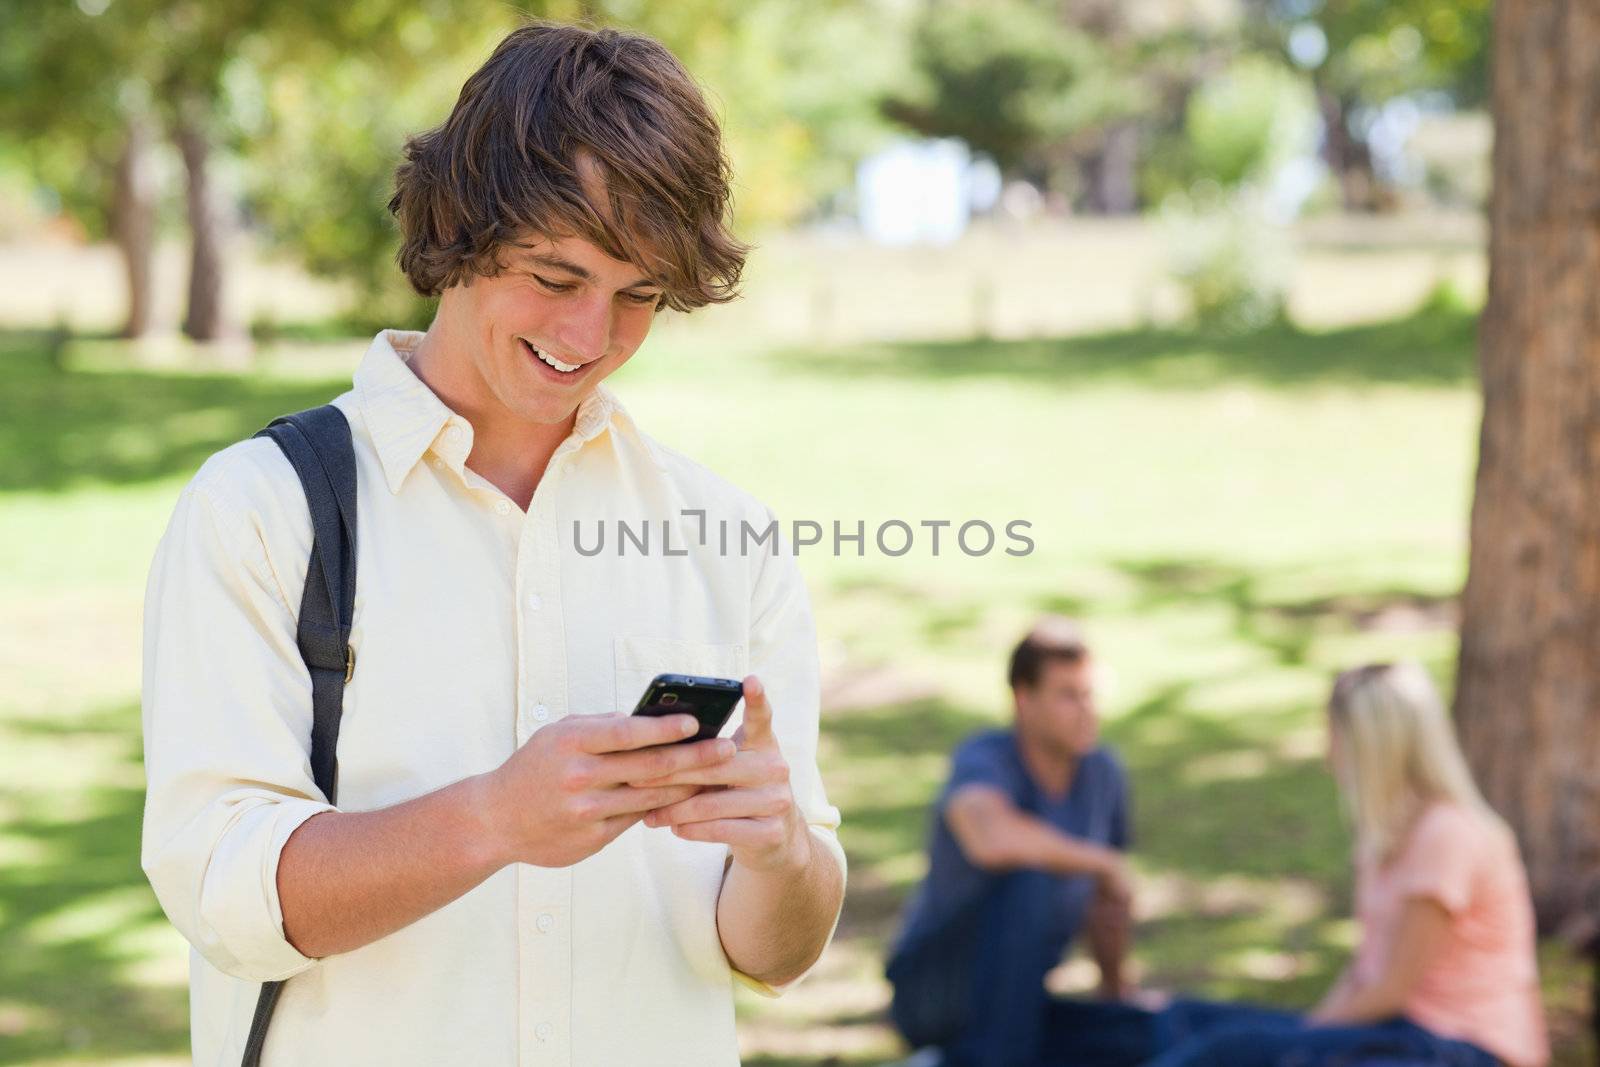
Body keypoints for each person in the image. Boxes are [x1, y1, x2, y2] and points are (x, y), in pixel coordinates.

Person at [139, 21, 846, 1066]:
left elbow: (774, 953)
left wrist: (779, 848)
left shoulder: (724, 535)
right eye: (556, 279)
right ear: (460, 229)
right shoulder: (260, 510)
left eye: (639, 295)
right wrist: (493, 819)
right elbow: (222, 894)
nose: (591, 336)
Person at [1141, 660, 1550, 1067]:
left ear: (1371, 748)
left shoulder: (1447, 835)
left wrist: (1300, 1041)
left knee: (1234, 1052)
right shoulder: (1388, 836)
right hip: (1402, 1032)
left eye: (1334, 738)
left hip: (1464, 1047)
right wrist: (1302, 1036)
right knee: (1203, 1032)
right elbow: (1366, 970)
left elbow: (1392, 988)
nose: (1327, 757)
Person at [883, 617, 1140, 1067]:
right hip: (937, 988)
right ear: (1024, 698)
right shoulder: (984, 756)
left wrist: (1115, 992)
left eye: (1090, 694)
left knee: (1136, 1034)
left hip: (1021, 997)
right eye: (1068, 696)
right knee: (1029, 877)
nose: (1087, 710)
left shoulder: (1103, 773)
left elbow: (1107, 907)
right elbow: (990, 838)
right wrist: (1100, 861)